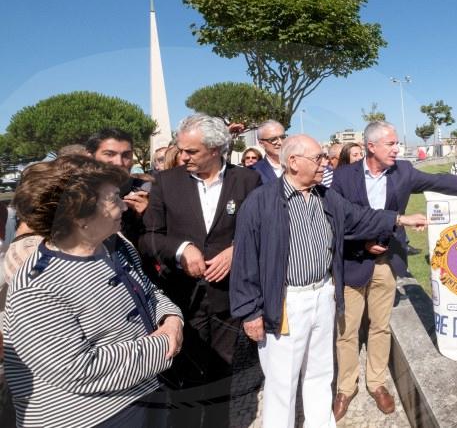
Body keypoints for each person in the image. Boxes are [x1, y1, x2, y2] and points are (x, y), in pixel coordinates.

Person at [230, 135, 427, 428]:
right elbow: (245, 260)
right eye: (318, 158)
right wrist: (250, 312)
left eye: (324, 157)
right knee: (282, 382)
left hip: (323, 295)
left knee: (320, 373)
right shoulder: (260, 202)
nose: (324, 163)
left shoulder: (325, 196)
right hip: (285, 302)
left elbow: (360, 217)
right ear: (294, 162)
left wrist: (400, 220)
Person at [331, 121, 457, 420]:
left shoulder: (403, 172)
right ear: (371, 146)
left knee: (380, 326)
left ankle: (376, 383)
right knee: (346, 332)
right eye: (391, 144)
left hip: (385, 262)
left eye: (397, 143)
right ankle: (345, 388)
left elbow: (441, 181)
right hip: (352, 261)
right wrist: (367, 238)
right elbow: (341, 219)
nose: (397, 149)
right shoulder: (344, 176)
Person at [2, 155, 183, 427]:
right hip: (92, 417)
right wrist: (165, 343)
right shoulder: (38, 286)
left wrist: (171, 319)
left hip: (144, 395)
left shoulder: (113, 248)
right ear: (80, 215)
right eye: (113, 198)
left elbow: (148, 292)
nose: (124, 205)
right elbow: (77, 369)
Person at [141, 114, 261, 427]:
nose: (183, 157)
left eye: (191, 151)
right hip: (184, 300)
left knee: (222, 375)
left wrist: (238, 251)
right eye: (181, 150)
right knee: (187, 380)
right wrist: (181, 250)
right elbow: (149, 237)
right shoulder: (167, 183)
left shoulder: (247, 180)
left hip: (228, 301)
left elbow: (263, 230)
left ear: (216, 148)